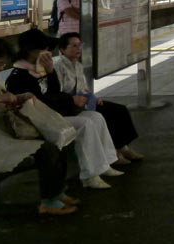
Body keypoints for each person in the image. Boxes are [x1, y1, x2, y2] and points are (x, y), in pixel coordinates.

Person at [0, 38, 77, 216]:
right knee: (47, 149)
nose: (0, 69)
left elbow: (6, 100)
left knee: (57, 139)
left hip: (4, 134)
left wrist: (21, 97)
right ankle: (48, 201)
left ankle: (57, 192)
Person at [7, 28, 121, 190]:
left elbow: (54, 91)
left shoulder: (38, 69)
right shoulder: (19, 76)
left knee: (96, 117)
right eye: (43, 49)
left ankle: (106, 163)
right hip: (38, 121)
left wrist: (50, 72)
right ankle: (90, 174)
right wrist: (70, 101)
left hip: (50, 115)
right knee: (84, 124)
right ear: (30, 51)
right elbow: (41, 102)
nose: (47, 53)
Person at [54, 33, 143, 166]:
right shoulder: (58, 66)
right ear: (62, 49)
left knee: (120, 110)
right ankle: (114, 152)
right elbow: (59, 91)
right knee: (105, 114)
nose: (78, 49)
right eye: (74, 46)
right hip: (70, 105)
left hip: (84, 102)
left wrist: (92, 98)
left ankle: (122, 147)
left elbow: (83, 87)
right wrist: (75, 99)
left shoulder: (77, 65)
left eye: (80, 45)